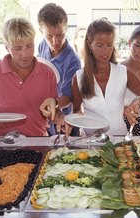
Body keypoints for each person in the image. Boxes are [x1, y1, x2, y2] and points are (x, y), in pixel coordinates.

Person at [66, 18, 140, 136]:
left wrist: (139, 101)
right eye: (100, 45)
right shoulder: (79, 77)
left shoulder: (123, 73)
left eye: (109, 45)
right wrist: (76, 117)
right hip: (89, 141)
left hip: (118, 140)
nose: (105, 51)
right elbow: (76, 110)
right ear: (90, 44)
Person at [0, 18, 58, 137]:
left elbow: (54, 107)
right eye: (18, 48)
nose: (25, 54)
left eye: (29, 46)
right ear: (6, 47)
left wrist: (56, 114)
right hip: (4, 143)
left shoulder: (47, 72)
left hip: (39, 140)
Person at [37, 3, 81, 135]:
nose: (55, 41)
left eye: (60, 35)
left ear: (66, 29)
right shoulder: (42, 45)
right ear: (41, 31)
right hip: (46, 114)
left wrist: (54, 102)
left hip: (65, 120)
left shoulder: (73, 60)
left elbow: (69, 97)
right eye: (49, 36)